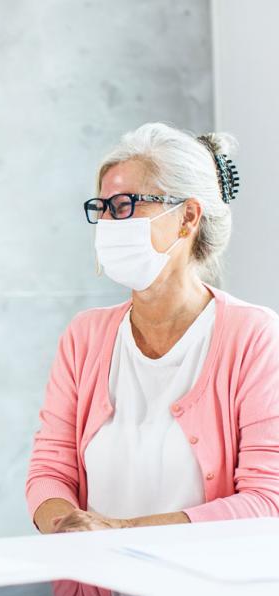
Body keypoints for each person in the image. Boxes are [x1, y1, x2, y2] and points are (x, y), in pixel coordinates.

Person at [27, 122, 279, 534]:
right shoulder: (84, 336)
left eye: (126, 205)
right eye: (103, 208)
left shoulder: (253, 336)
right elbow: (50, 470)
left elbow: (268, 499)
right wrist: (66, 527)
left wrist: (121, 532)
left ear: (188, 217)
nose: (109, 222)